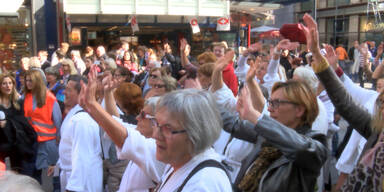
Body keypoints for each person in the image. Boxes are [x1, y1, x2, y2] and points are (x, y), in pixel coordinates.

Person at [79, 65, 232, 191]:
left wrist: (93, 105)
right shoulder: (178, 161)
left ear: (195, 133)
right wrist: (92, 106)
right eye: (157, 125)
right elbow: (123, 131)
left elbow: (124, 136)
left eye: (167, 128)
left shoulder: (204, 184)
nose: (157, 134)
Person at [303, 12, 384, 191]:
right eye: (382, 102)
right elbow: (346, 103)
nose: (381, 107)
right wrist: (322, 60)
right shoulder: (377, 131)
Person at [54, 75, 103, 192]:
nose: (64, 92)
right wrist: (59, 164)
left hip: (82, 182)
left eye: (69, 90)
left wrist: (74, 188)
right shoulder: (74, 114)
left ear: (82, 92)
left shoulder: (82, 120)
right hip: (72, 175)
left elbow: (83, 156)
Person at [22, 70, 62, 188]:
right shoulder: (26, 97)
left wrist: (58, 139)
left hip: (49, 142)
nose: (28, 83)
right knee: (35, 177)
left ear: (37, 81)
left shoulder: (49, 97)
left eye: (31, 80)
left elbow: (58, 121)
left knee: (52, 177)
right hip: (33, 142)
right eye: (26, 80)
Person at [0, 74, 37, 176]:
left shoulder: (18, 102)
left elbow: (23, 123)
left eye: (10, 83)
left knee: (17, 174)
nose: (8, 86)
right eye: (4, 83)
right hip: (2, 143)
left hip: (16, 144)